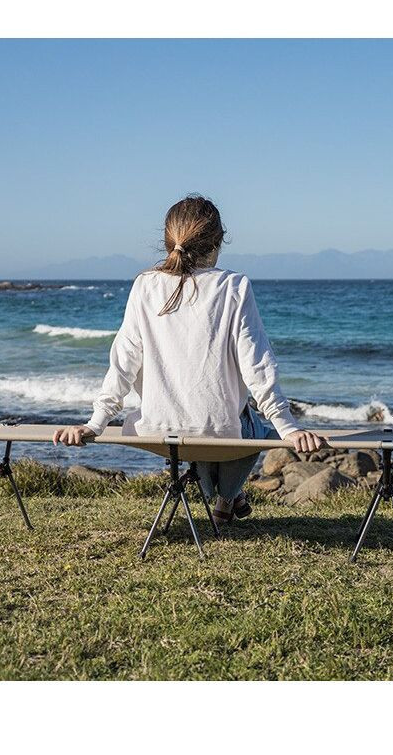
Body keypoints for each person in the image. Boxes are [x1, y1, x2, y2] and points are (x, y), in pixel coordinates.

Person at [54, 194, 324, 526]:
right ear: (218, 242)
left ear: (168, 241)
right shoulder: (234, 286)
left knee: (212, 420)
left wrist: (95, 423)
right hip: (220, 434)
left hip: (157, 433)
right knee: (256, 426)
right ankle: (226, 497)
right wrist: (290, 428)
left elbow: (123, 362)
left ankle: (228, 497)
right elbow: (257, 369)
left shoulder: (144, 285)